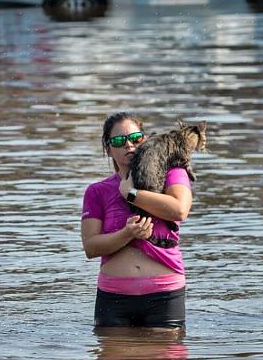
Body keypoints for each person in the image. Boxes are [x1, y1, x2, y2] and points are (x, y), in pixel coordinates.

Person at [81, 112, 193, 330]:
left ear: (145, 140)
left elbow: (180, 210)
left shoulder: (173, 174)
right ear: (108, 148)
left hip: (164, 292)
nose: (129, 145)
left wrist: (131, 193)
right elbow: (91, 247)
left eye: (136, 138)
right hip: (114, 296)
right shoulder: (97, 191)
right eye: (119, 141)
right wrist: (127, 234)